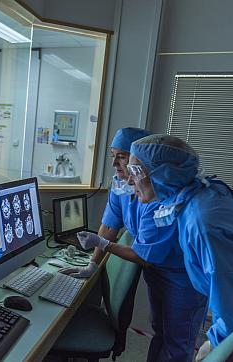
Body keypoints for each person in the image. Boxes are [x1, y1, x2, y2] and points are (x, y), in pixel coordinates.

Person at [128, 134, 233, 362]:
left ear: (164, 174)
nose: (129, 181)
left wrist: (215, 345)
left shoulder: (203, 222)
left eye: (135, 172)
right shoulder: (199, 198)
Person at [61, 127, 207, 362]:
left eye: (122, 156)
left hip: (183, 279)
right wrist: (92, 264)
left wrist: (103, 245)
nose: (115, 164)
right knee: (161, 331)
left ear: (141, 162)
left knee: (177, 343)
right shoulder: (121, 186)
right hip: (157, 272)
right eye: (112, 155)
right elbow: (109, 226)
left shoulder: (158, 196)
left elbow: (144, 255)